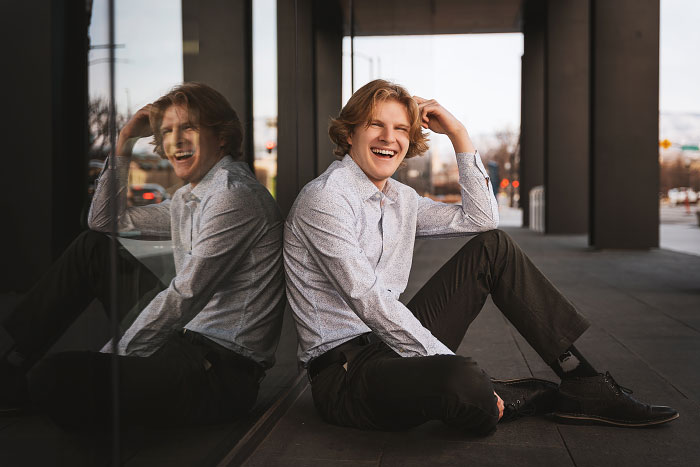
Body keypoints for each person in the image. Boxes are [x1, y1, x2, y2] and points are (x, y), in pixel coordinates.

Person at [283, 79, 678, 434]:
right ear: (349, 132)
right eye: (375, 124)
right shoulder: (326, 199)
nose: (389, 137)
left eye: (401, 128)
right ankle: (498, 392)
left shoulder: (401, 198)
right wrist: (440, 360)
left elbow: (482, 219)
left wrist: (458, 133)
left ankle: (583, 381)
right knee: (462, 378)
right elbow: (368, 301)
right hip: (347, 376)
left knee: (495, 248)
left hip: (390, 346)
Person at [0, 83, 286, 429]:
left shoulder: (233, 197)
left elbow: (185, 295)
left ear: (222, 138)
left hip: (217, 373)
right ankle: (12, 363)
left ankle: (35, 381)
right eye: (167, 131)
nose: (176, 141)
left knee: (53, 378)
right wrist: (123, 142)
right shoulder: (189, 198)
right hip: (182, 337)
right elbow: (105, 221)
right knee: (94, 248)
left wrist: (112, 361)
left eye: (189, 128)